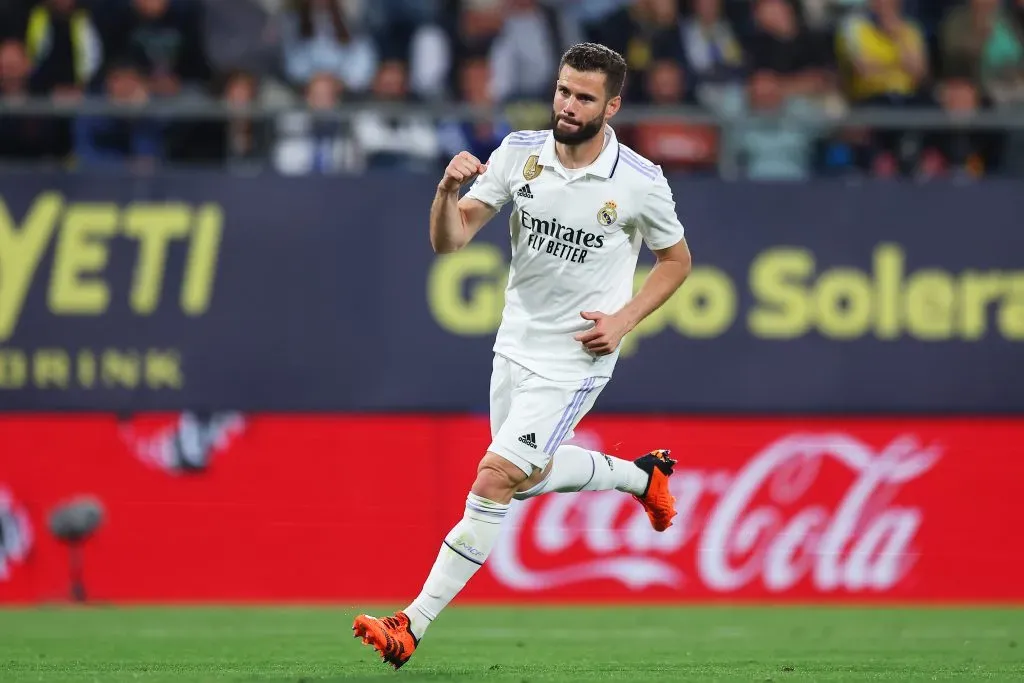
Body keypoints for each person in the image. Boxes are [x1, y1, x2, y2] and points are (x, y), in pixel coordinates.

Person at [352, 42, 693, 670]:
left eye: (584, 96)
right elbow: (450, 241)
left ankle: (411, 623)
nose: (567, 104)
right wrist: (445, 192)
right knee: (526, 480)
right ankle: (644, 477)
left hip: (577, 358)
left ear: (611, 106)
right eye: (563, 90)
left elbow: (677, 262)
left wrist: (622, 321)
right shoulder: (518, 154)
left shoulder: (640, 183)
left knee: (494, 478)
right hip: (514, 344)